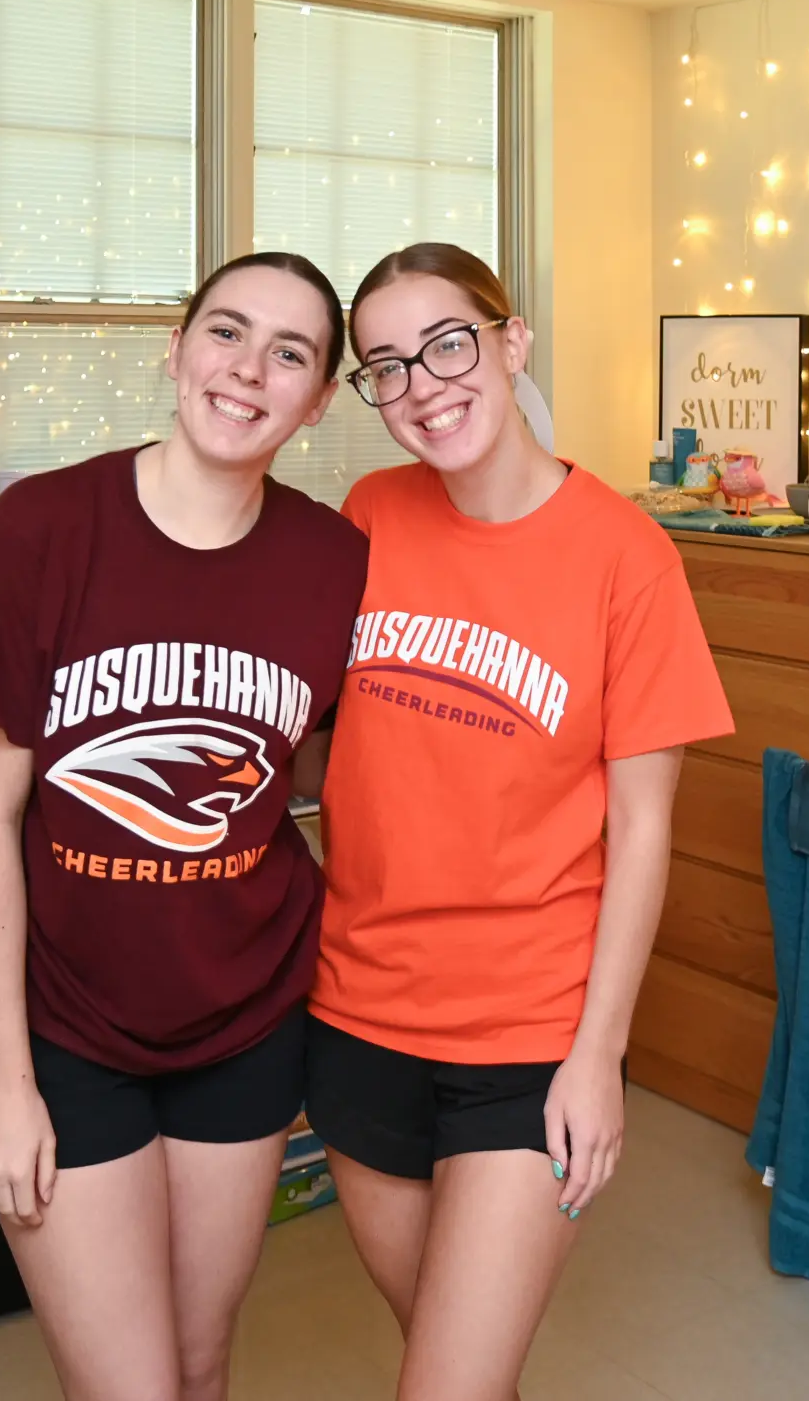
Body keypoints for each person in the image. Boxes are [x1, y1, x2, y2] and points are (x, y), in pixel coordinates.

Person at [0, 252, 369, 1401]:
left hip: (249, 1020)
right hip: (67, 1032)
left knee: (200, 1358)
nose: (247, 369)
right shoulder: (41, 527)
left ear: (317, 399)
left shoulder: (334, 561)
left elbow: (321, 764)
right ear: (175, 348)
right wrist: (5, 1083)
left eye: (290, 352)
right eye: (225, 331)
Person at [303, 242, 733, 1399]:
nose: (423, 386)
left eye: (447, 344)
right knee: (456, 1368)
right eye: (384, 366)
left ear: (511, 340)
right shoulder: (368, 514)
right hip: (358, 1011)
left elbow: (643, 830)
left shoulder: (626, 557)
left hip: (526, 1035)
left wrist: (596, 1055)